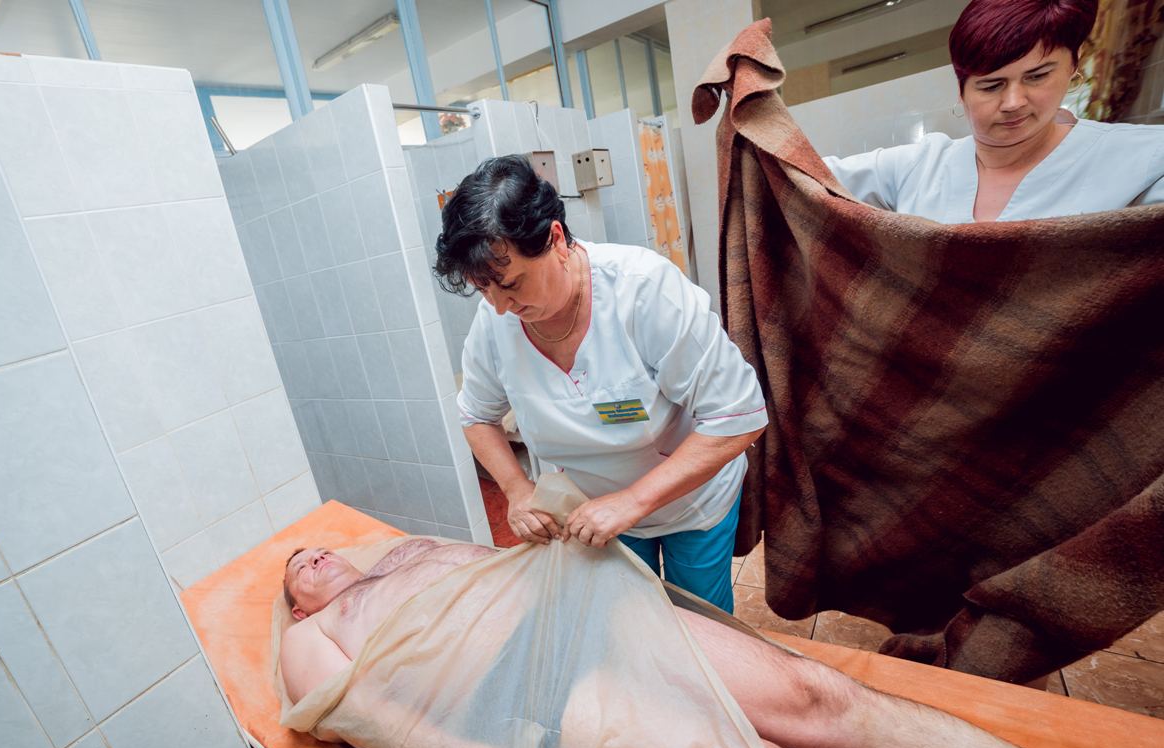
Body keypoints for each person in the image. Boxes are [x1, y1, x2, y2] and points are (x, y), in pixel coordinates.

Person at [279, 541, 1164, 748]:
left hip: (594, 619)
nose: (309, 557)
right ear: (298, 604)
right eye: (295, 569)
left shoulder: (406, 548)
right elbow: (403, 735)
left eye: (312, 549)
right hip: (529, 699)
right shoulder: (313, 635)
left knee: (824, 699)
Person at [433, 154, 766, 614]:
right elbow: (475, 415)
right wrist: (516, 489)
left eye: (511, 285)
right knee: (626, 617)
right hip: (592, 507)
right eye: (484, 291)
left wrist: (632, 501)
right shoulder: (494, 322)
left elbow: (738, 416)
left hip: (690, 501)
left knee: (700, 621)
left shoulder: (642, 289)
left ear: (555, 239)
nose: (501, 307)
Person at [824, 0, 1164, 223]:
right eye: (991, 86)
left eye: (1037, 76)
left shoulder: (1146, 159)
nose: (1014, 102)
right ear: (961, 92)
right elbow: (802, 176)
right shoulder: (920, 166)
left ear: (1072, 67)